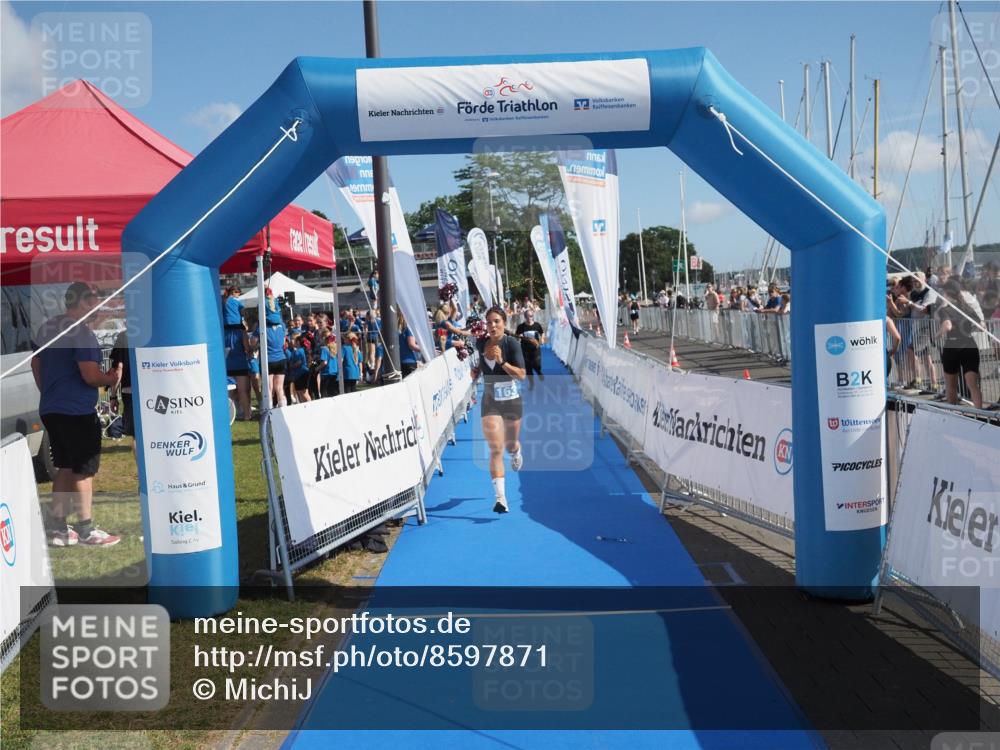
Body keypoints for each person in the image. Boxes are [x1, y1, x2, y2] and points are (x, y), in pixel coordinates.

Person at [31, 282, 122, 547]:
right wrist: (111, 379)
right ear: (84, 302)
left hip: (52, 409)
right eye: (96, 299)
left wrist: (48, 390)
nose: (99, 305)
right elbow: (90, 376)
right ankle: (86, 530)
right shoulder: (81, 332)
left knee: (65, 467)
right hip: (77, 411)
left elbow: (36, 362)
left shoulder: (48, 327)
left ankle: (59, 529)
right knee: (83, 470)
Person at [472, 307, 527, 514]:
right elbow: (482, 364)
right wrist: (477, 371)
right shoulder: (481, 344)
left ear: (504, 323)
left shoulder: (511, 343)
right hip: (490, 400)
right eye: (489, 322)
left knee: (510, 444)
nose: (493, 325)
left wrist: (502, 362)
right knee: (496, 448)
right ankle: (501, 498)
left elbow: (521, 375)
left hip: (511, 400)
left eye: (496, 321)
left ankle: (516, 452)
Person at [936, 279, 983, 409]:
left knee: (951, 385)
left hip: (952, 346)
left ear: (946, 293)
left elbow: (947, 325)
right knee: (973, 385)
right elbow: (980, 325)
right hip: (969, 344)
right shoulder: (967, 308)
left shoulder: (945, 309)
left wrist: (937, 335)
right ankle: (979, 412)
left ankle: (953, 412)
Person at [108, 329, 135, 452]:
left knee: (136, 434)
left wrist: (113, 397)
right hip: (152, 389)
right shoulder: (153, 332)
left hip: (130, 391)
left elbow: (119, 369)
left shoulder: (124, 337)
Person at [515, 309, 545, 389]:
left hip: (535, 349)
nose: (529, 318)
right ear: (524, 317)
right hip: (525, 350)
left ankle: (539, 372)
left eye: (531, 316)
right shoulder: (521, 327)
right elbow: (516, 336)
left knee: (537, 365)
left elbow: (542, 332)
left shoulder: (537, 325)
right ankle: (531, 383)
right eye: (527, 316)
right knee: (528, 368)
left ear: (533, 316)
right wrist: (519, 337)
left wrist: (542, 338)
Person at [286, 334, 311, 404]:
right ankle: (304, 405)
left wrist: (291, 366)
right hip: (301, 374)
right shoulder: (302, 350)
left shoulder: (298, 351)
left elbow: (299, 362)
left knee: (302, 392)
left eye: (294, 340)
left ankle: (309, 405)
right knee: (301, 392)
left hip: (300, 374)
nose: (292, 342)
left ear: (298, 342)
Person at [397, 311, 421, 378]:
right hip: (410, 362)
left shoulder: (397, 329)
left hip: (400, 362)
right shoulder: (408, 329)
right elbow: (412, 345)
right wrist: (424, 350)